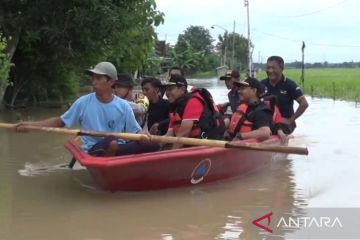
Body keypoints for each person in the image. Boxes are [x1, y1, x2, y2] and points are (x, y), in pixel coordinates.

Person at [16, 61, 159, 156]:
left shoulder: (123, 106)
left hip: (119, 148)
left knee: (153, 146)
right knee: (111, 141)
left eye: (98, 78)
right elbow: (60, 122)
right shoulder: (82, 102)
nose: (94, 82)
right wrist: (30, 126)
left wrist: (144, 136)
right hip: (94, 147)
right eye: (93, 78)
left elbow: (135, 131)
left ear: (111, 82)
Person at [163, 75, 225, 149]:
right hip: (189, 143)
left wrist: (171, 155)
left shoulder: (193, 102)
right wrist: (156, 145)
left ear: (182, 89)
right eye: (166, 89)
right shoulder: (175, 106)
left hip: (205, 143)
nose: (167, 93)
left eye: (170, 89)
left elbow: (183, 134)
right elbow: (169, 134)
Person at [261, 56, 309, 134]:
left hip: (284, 124)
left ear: (281, 69)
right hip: (266, 123)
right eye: (268, 68)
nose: (270, 71)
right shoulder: (262, 85)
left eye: (273, 68)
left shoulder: (290, 85)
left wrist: (290, 120)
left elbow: (304, 104)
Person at [225, 77, 273, 142]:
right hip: (232, 139)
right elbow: (233, 120)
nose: (239, 91)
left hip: (243, 143)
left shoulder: (261, 111)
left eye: (243, 88)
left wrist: (241, 136)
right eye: (239, 89)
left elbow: (265, 133)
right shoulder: (244, 107)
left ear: (254, 91)